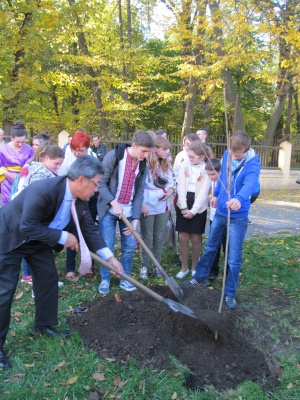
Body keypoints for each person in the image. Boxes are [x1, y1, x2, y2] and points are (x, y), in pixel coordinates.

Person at [0, 156, 123, 369]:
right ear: (81, 180)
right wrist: (64, 237)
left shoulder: (82, 200)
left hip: (39, 242)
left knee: (48, 279)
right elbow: (28, 226)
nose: (97, 190)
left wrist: (109, 258)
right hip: (11, 238)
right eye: (96, 184)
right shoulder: (43, 190)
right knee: (4, 292)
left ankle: (44, 325)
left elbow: (89, 230)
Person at [184, 131, 261, 310]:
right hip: (220, 212)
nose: (233, 157)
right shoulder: (228, 153)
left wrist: (239, 198)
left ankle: (230, 292)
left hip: (238, 216)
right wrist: (216, 195)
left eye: (238, 154)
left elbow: (249, 184)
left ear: (247, 149)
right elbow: (223, 177)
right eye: (231, 153)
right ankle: (200, 276)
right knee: (211, 246)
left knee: (233, 258)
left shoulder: (253, 163)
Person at [97, 130, 154, 294]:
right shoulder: (114, 157)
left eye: (148, 152)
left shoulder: (143, 165)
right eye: (143, 151)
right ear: (134, 146)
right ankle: (105, 279)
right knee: (107, 246)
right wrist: (113, 202)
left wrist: (136, 218)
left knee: (129, 247)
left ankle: (125, 279)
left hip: (128, 212)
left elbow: (139, 193)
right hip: (109, 209)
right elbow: (100, 183)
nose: (146, 155)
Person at [10, 143, 65, 286]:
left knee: (37, 254)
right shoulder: (40, 176)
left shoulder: (38, 170)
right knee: (33, 252)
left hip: (31, 221)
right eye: (56, 163)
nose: (58, 167)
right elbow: (37, 202)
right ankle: (36, 281)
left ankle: (39, 283)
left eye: (60, 164)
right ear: (46, 158)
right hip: (31, 221)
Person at [58, 130, 98, 280]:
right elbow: (62, 182)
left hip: (90, 200)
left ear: (87, 148)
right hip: (73, 201)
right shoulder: (67, 160)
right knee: (73, 232)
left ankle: (88, 265)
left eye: (81, 150)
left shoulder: (93, 158)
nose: (78, 153)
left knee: (88, 230)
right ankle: (70, 267)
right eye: (75, 150)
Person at [140, 136, 175, 279]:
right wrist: (141, 204)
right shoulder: (144, 164)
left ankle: (157, 265)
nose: (167, 152)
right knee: (147, 236)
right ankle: (145, 265)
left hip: (162, 203)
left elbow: (172, 183)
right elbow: (139, 186)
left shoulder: (166, 164)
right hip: (147, 203)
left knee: (159, 236)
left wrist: (169, 193)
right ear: (155, 149)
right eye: (164, 149)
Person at [175, 141, 211, 278]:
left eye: (193, 157)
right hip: (184, 202)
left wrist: (193, 211)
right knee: (183, 236)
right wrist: (183, 207)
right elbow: (181, 186)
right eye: (189, 156)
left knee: (196, 238)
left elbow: (203, 193)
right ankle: (184, 268)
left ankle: (195, 266)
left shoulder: (207, 168)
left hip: (198, 206)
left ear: (202, 157)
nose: (190, 159)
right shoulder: (184, 164)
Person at [0, 121, 34, 206]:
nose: (20, 144)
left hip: (23, 179)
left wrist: (22, 175)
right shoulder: (3, 149)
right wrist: (8, 174)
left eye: (23, 142)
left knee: (21, 202)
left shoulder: (29, 149)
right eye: (17, 142)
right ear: (11, 137)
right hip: (6, 179)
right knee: (8, 203)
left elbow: (32, 164)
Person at [205, 158, 227, 279]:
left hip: (225, 217)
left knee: (227, 245)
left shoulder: (225, 181)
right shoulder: (211, 181)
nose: (211, 177)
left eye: (213, 174)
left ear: (220, 171)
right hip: (214, 217)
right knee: (214, 245)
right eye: (209, 174)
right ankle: (213, 270)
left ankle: (228, 272)